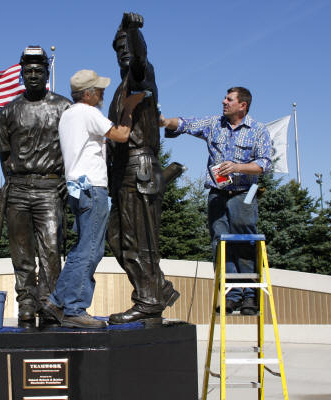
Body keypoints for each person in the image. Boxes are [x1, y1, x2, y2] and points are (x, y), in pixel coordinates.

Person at [161, 87, 272, 315]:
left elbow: (264, 164)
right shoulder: (214, 124)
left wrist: (238, 167)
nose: (223, 101)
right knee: (220, 242)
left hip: (245, 191)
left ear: (243, 105)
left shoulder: (258, 130)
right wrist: (163, 121)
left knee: (245, 238)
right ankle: (231, 294)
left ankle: (250, 295)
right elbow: (184, 124)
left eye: (229, 99)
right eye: (224, 97)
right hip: (216, 193)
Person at [105, 12, 181, 325]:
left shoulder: (141, 76)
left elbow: (139, 59)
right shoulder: (121, 88)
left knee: (140, 241)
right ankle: (157, 286)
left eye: (128, 46)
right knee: (116, 237)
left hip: (140, 168)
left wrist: (133, 30)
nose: (123, 51)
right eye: (118, 46)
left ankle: (149, 300)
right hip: (123, 170)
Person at [42, 70, 130, 329]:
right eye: (99, 90)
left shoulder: (68, 115)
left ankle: (56, 301)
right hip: (93, 186)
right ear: (88, 94)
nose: (102, 94)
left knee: (81, 247)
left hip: (77, 187)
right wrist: (130, 108)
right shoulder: (88, 112)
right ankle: (75, 309)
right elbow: (121, 134)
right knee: (91, 248)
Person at [0, 46, 72, 327]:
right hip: (18, 188)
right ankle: (26, 302)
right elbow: (4, 154)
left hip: (50, 188)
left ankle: (49, 302)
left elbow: (75, 147)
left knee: (51, 250)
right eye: (28, 71)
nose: (34, 75)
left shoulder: (64, 107)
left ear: (47, 72)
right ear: (22, 73)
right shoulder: (8, 111)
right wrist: (13, 182)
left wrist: (67, 178)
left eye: (39, 70)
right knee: (22, 252)